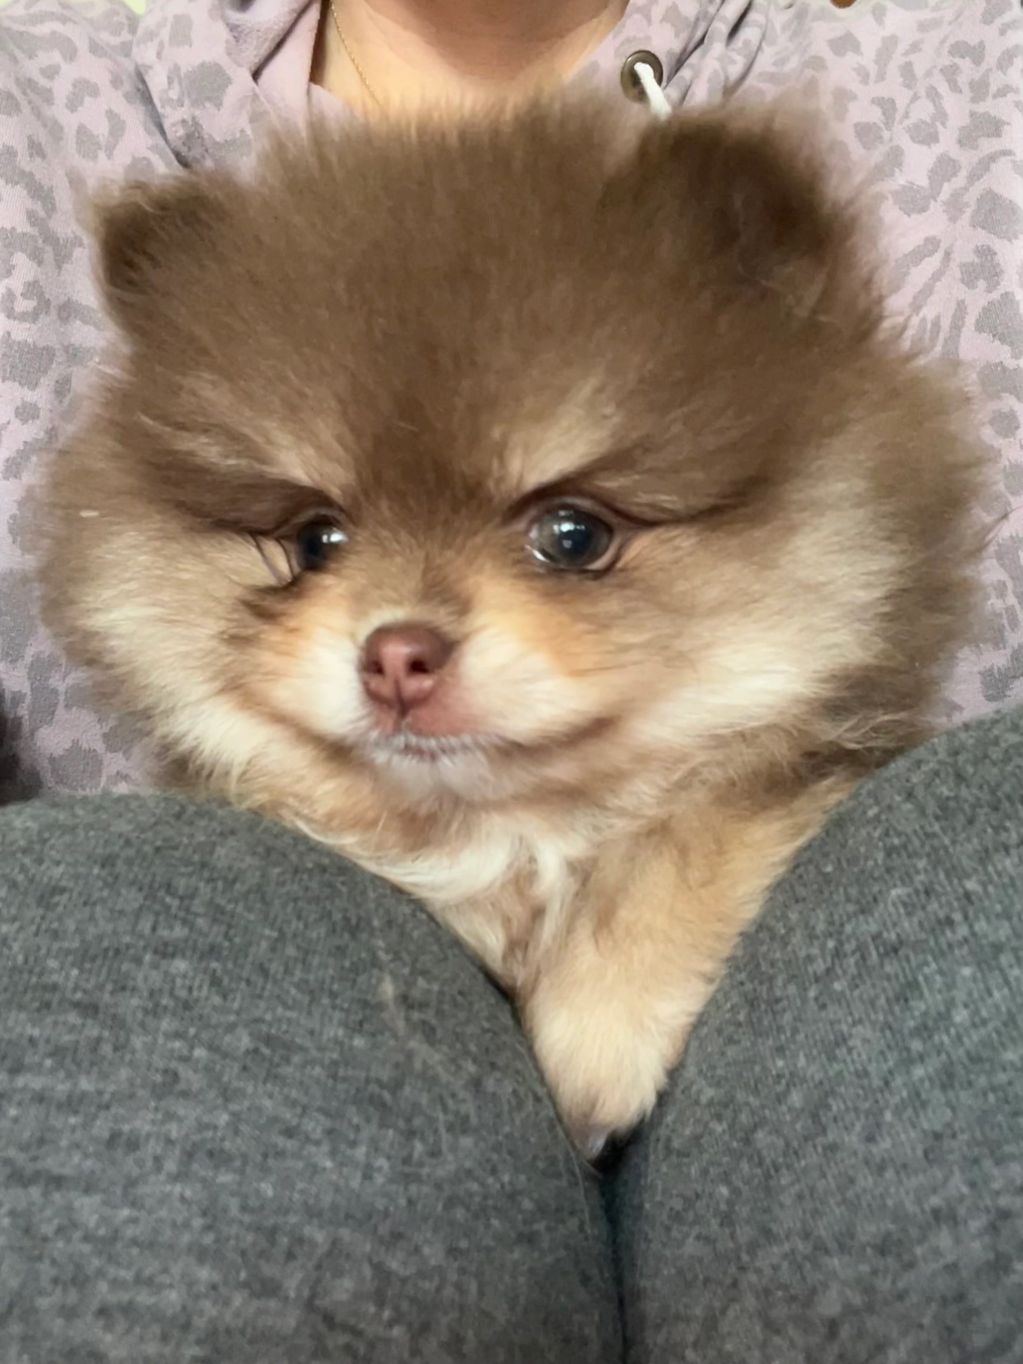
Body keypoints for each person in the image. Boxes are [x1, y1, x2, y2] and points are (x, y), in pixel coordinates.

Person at [0, 0, 1020, 1358]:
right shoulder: (44, 85)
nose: (397, 641)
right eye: (315, 544)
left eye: (571, 537)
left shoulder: (967, 72)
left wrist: (715, 851)